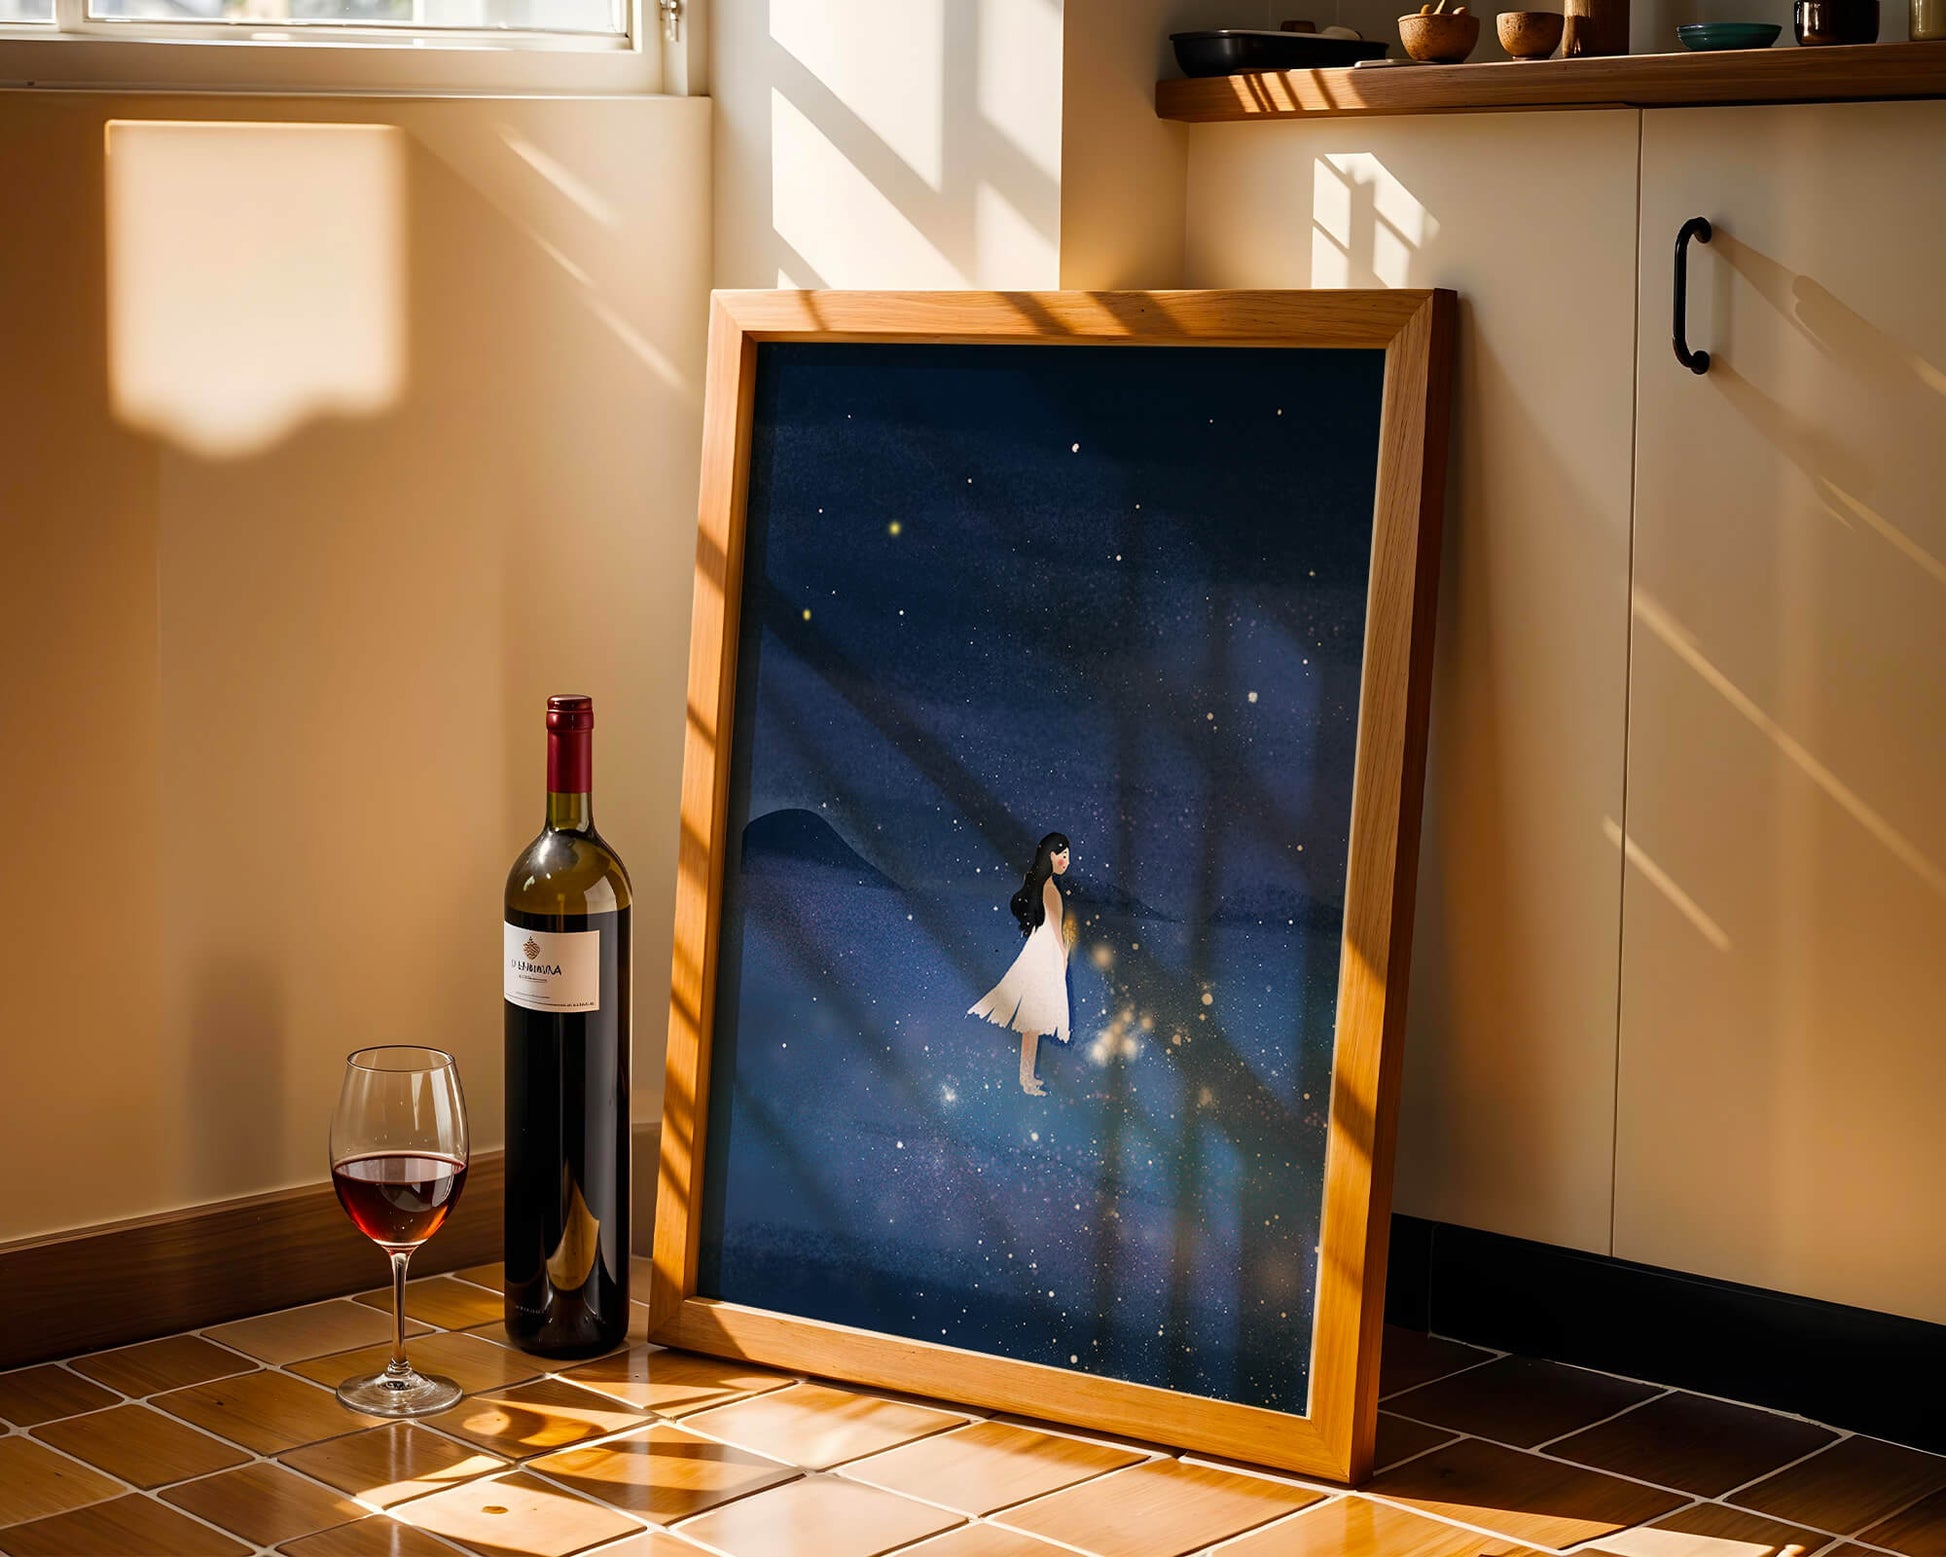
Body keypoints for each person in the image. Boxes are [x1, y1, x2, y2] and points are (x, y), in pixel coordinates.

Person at [968, 832, 1072, 1095]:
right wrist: (1064, 958)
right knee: (1033, 1021)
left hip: (1036, 954)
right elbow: (1056, 934)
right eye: (1064, 856)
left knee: (1032, 1024)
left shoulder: (1042, 887)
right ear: (1052, 856)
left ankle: (1026, 1077)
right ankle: (1026, 1079)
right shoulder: (1051, 891)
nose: (1067, 862)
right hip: (1045, 958)